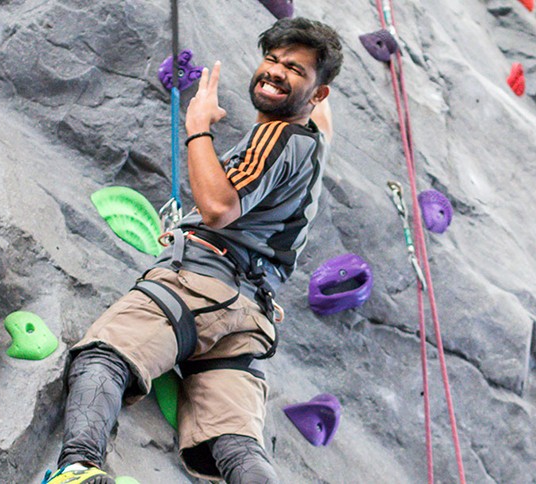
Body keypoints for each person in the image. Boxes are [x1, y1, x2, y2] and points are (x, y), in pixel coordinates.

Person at [44, 17, 343, 484]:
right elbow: (324, 117)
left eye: (295, 70)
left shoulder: (278, 135)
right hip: (248, 315)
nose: (276, 71)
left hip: (198, 284)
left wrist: (197, 126)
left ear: (317, 92)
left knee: (106, 355)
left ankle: (77, 469)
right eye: (272, 60)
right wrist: (310, 77)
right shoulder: (314, 141)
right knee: (235, 441)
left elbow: (220, 206)